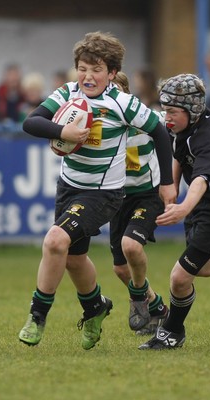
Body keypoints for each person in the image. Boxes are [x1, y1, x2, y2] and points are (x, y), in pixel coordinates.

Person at [18, 31, 176, 350]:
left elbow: (159, 132)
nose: (88, 76)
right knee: (75, 259)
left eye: (97, 69)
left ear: (113, 73)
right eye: (83, 68)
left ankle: (37, 315)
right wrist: (64, 131)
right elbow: (31, 122)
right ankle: (96, 308)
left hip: (103, 194)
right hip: (68, 188)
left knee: (54, 240)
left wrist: (168, 184)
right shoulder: (67, 93)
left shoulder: (122, 103)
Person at [139, 73, 210, 350]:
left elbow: (202, 180)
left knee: (180, 277)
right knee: (202, 267)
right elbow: (178, 153)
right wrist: (170, 185)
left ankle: (171, 332)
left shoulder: (209, 137)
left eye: (171, 111)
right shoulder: (182, 124)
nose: (166, 117)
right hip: (202, 204)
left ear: (192, 110)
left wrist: (182, 208)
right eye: (164, 109)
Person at [110, 72, 169, 335]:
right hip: (117, 197)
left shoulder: (145, 117)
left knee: (131, 245)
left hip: (147, 195)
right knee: (121, 269)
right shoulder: (99, 123)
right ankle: (157, 308)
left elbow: (170, 128)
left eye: (115, 90)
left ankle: (137, 301)